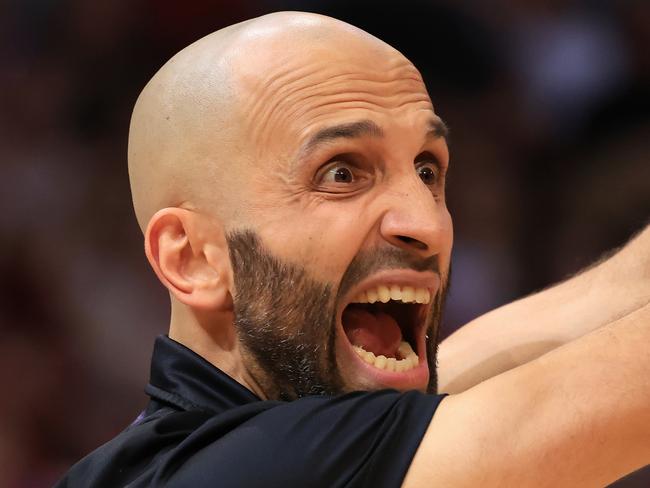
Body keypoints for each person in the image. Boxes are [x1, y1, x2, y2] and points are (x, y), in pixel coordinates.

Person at [57, 11, 650, 487]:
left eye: (426, 169)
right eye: (341, 173)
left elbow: (592, 304)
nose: (430, 225)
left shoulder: (175, 451)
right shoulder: (258, 468)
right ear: (193, 258)